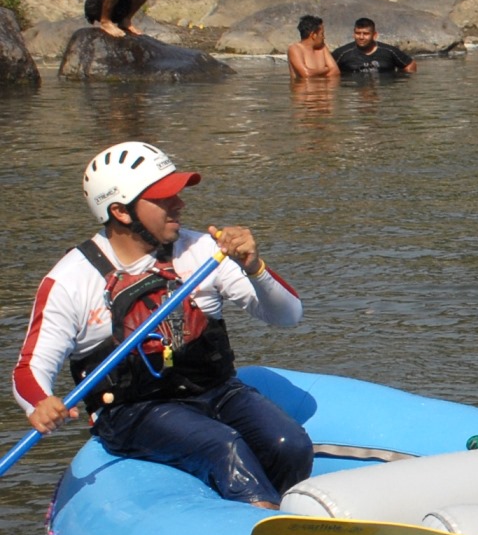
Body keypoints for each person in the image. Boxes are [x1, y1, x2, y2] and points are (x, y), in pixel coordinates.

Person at [12, 141, 311, 507]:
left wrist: (254, 267)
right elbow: (29, 369)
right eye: (163, 198)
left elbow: (288, 315)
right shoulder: (71, 280)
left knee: (289, 444)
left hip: (216, 391)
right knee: (223, 446)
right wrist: (40, 403)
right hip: (133, 411)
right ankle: (256, 522)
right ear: (121, 212)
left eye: (177, 193)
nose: (179, 203)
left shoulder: (203, 251)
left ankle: (281, 514)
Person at [330, 18, 415, 75]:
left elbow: (410, 64)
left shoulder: (389, 51)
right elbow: (328, 69)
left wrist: (402, 81)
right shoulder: (342, 53)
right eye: (358, 33)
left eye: (366, 34)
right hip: (354, 94)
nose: (361, 37)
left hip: (384, 92)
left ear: (374, 35)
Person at [287, 15, 337, 80]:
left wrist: (315, 73)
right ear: (313, 35)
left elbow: (335, 72)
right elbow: (306, 74)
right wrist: (326, 69)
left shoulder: (322, 48)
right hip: (304, 86)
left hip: (323, 86)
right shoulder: (295, 49)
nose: (324, 37)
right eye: (322, 34)